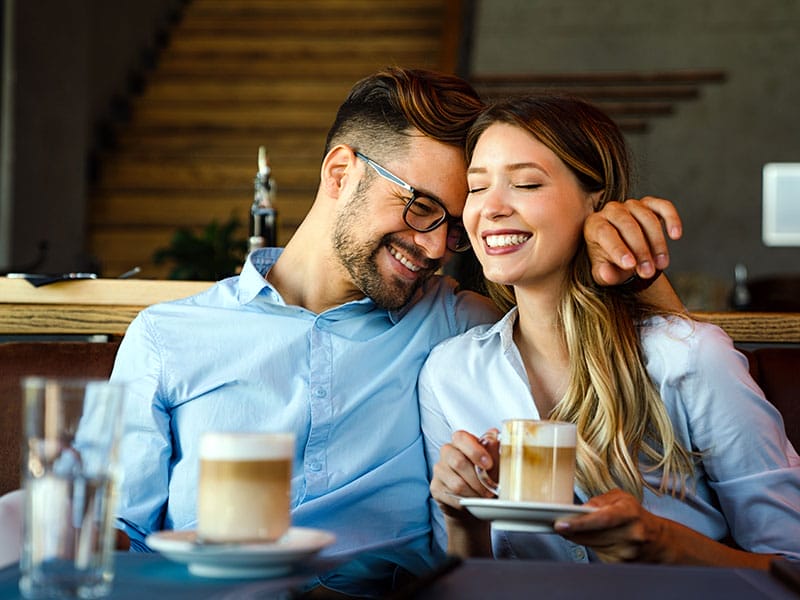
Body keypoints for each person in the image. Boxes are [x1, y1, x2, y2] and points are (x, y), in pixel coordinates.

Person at [108, 68, 683, 570]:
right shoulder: (167, 337)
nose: (435, 248)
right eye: (422, 207)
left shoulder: (458, 325)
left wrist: (623, 252)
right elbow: (113, 533)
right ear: (340, 173)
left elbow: (628, 342)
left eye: (453, 227)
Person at [419, 95, 800, 570]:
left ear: (596, 199)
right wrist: (463, 521)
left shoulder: (689, 357)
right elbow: (459, 580)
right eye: (476, 189)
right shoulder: (450, 373)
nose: (491, 208)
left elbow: (791, 563)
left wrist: (666, 545)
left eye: (526, 183)